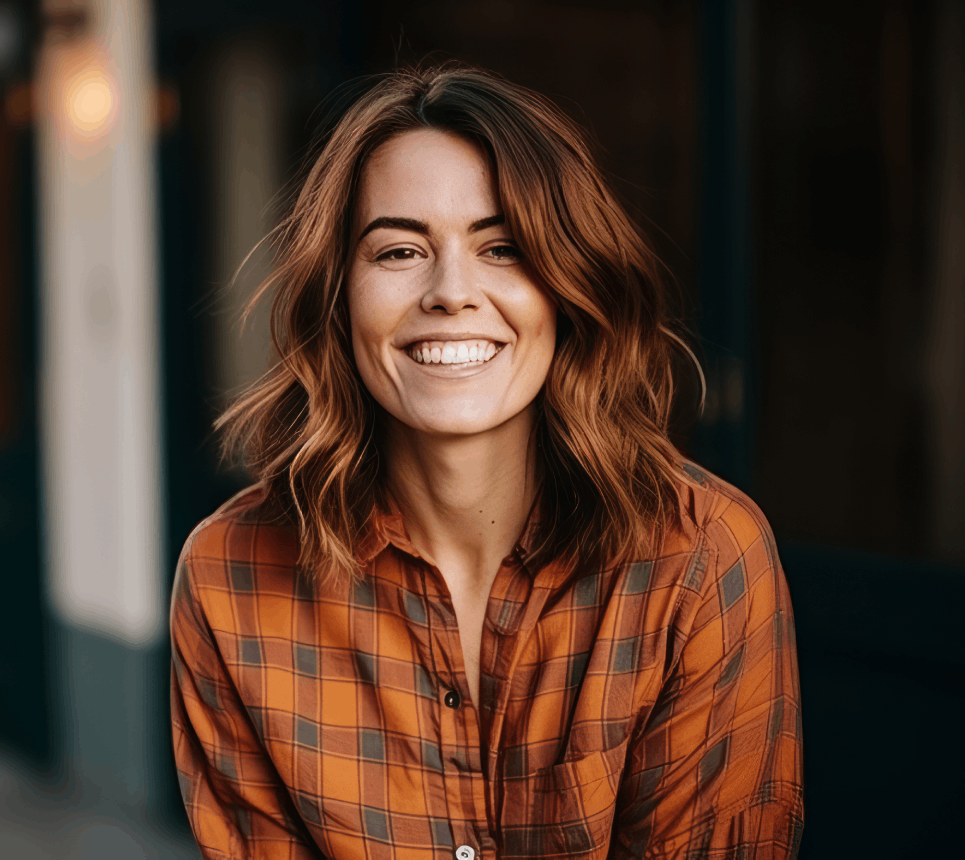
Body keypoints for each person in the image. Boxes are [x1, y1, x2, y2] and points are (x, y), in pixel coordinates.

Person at [170, 65, 803, 860]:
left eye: (502, 247)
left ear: (568, 284)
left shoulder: (702, 560)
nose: (451, 292)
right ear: (339, 293)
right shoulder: (230, 578)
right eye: (399, 250)